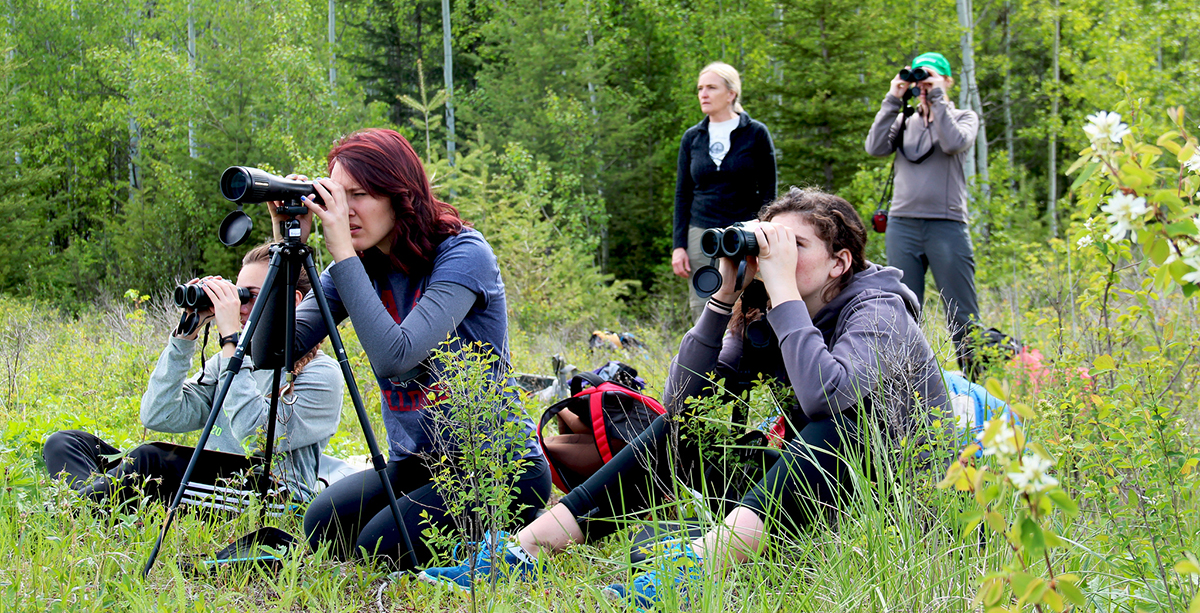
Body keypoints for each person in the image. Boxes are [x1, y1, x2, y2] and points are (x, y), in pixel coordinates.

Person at [420, 188, 950, 607]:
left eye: (794, 248)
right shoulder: (769, 310)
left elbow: (826, 400)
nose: (775, 260)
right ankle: (526, 548)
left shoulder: (877, 308)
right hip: (813, 488)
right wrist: (723, 299)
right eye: (769, 244)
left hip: (898, 500)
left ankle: (701, 564)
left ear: (839, 263)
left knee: (844, 418)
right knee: (685, 430)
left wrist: (784, 291)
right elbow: (681, 405)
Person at [290, 128, 550, 568]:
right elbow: (274, 348)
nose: (345, 210)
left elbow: (397, 355)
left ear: (399, 193)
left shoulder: (464, 252)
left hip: (500, 465)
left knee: (377, 549)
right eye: (337, 195)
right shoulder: (354, 267)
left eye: (360, 195)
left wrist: (339, 250)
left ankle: (513, 526)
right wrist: (291, 242)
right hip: (421, 463)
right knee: (322, 526)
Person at [42, 244, 345, 507]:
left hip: (273, 496)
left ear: (292, 303)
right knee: (66, 442)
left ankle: (80, 505)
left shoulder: (321, 374)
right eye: (237, 295)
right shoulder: (225, 362)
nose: (239, 306)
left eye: (251, 296)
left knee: (150, 459)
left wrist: (231, 343)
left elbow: (257, 440)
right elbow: (158, 414)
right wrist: (186, 334)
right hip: (208, 483)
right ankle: (93, 502)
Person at [864, 51, 981, 372]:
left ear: (948, 81)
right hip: (903, 225)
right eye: (920, 79)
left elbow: (955, 142)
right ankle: (905, 387)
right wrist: (893, 97)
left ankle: (977, 385)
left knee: (962, 311)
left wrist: (938, 100)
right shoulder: (905, 121)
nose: (925, 86)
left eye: (931, 78)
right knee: (902, 309)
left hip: (947, 225)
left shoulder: (964, 117)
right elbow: (874, 147)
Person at [673, 62, 777, 321]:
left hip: (744, 233)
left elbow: (769, 191)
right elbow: (682, 193)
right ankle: (704, 359)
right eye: (699, 88)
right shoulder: (692, 137)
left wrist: (764, 232)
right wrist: (679, 246)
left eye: (711, 87)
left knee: (747, 301)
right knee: (702, 301)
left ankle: (741, 358)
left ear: (731, 94)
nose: (703, 94)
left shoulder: (755, 133)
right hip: (701, 232)